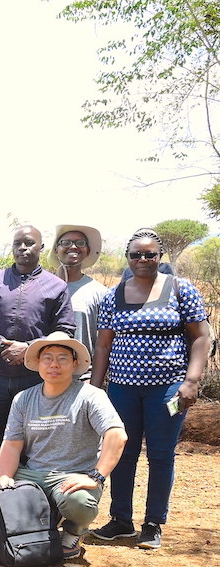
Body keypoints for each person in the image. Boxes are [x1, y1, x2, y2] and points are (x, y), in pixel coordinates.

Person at [90, 229, 211, 549]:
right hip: (122, 389)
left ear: (160, 257)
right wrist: (95, 387)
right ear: (127, 259)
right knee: (121, 452)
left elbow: (201, 337)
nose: (142, 260)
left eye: (150, 255)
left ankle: (154, 523)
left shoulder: (180, 289)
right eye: (136, 255)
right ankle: (121, 520)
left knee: (160, 455)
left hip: (168, 389)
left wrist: (191, 381)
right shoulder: (113, 295)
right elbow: (103, 346)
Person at [0, 335, 126, 562]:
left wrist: (96, 476)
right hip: (32, 474)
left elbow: (117, 435)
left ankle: (74, 532)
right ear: (38, 363)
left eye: (62, 358)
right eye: (47, 358)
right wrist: (6, 476)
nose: (54, 364)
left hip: (73, 475)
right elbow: (12, 443)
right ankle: (31, 527)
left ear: (75, 364)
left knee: (79, 504)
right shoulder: (23, 399)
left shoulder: (91, 396)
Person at [0, 225, 74, 461]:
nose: (23, 248)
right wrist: (1, 345)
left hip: (34, 376)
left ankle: (30, 492)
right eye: (18, 244)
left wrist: (28, 348)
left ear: (42, 248)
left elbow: (65, 330)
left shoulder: (56, 286)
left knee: (34, 434)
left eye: (29, 243)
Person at [52, 224, 108, 379]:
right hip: (45, 377)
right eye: (66, 243)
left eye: (80, 243)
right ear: (56, 249)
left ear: (87, 251)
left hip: (83, 379)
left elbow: (105, 343)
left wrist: (95, 381)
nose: (73, 247)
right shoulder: (41, 288)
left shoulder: (100, 292)